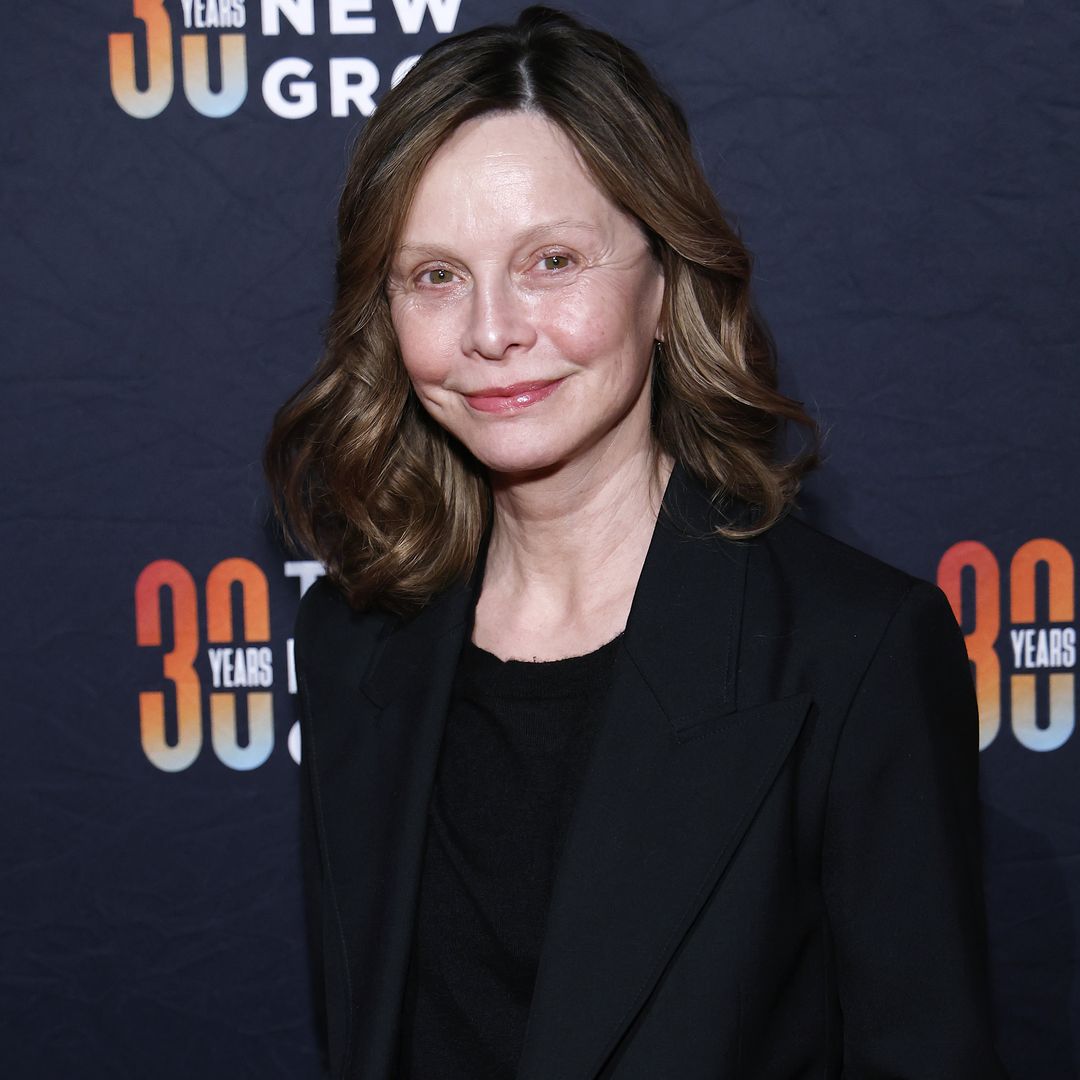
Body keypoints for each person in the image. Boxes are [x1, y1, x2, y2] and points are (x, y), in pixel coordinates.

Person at [265, 7, 1006, 1078]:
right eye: (435, 276)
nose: (490, 330)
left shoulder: (856, 655)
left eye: (552, 260)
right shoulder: (351, 644)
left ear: (666, 285)